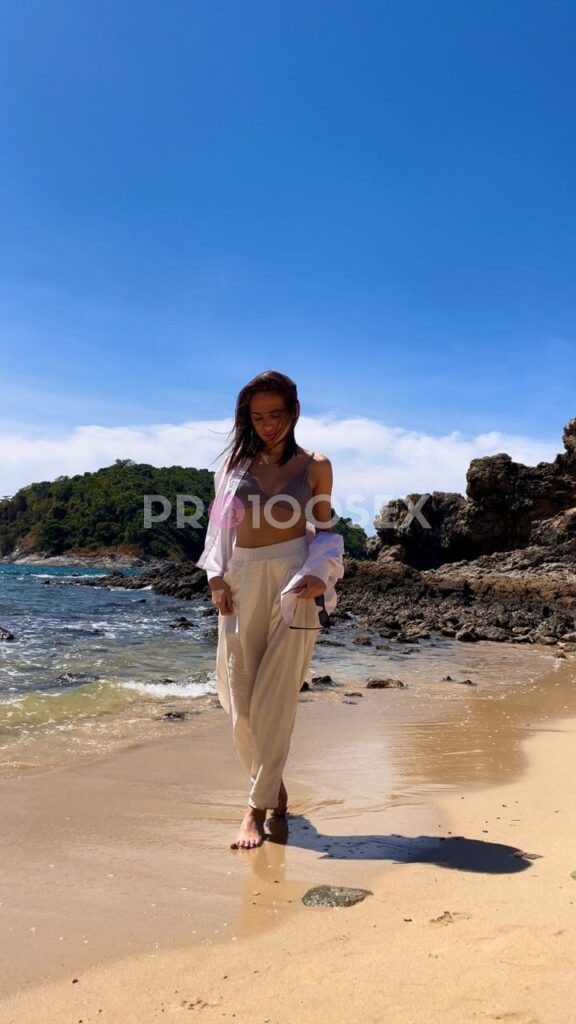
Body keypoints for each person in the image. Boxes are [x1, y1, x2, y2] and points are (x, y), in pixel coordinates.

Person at [195, 370, 344, 850]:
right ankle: (272, 785)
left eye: (276, 414)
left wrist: (322, 573)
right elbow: (219, 529)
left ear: (294, 412)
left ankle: (254, 809)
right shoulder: (234, 466)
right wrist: (216, 576)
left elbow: (325, 532)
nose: (268, 425)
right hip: (241, 578)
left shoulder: (315, 466)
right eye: (258, 417)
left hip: (295, 580)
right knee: (240, 702)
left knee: (276, 696)